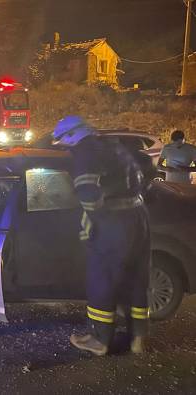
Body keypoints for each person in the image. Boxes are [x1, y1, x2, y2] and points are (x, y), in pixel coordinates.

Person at [52, 115, 151, 356]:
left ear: (72, 136)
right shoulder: (114, 146)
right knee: (137, 279)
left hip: (114, 223)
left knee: (102, 279)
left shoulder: (85, 153)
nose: (66, 148)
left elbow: (88, 196)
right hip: (139, 217)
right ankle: (137, 338)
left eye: (64, 143)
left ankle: (99, 340)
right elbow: (144, 174)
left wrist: (91, 222)